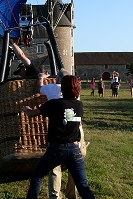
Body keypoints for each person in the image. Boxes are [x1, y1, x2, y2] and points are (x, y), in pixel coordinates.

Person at [22, 75, 95, 199]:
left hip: (56, 149)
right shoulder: (79, 105)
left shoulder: (54, 104)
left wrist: (26, 109)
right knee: (83, 186)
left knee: (37, 176)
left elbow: (31, 114)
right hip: (74, 150)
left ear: (63, 89)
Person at [39, 69, 88, 199]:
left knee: (55, 167)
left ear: (58, 80)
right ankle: (72, 194)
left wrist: (42, 77)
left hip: (58, 127)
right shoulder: (76, 94)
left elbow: (40, 88)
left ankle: (55, 196)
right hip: (76, 127)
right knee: (77, 162)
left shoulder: (51, 88)